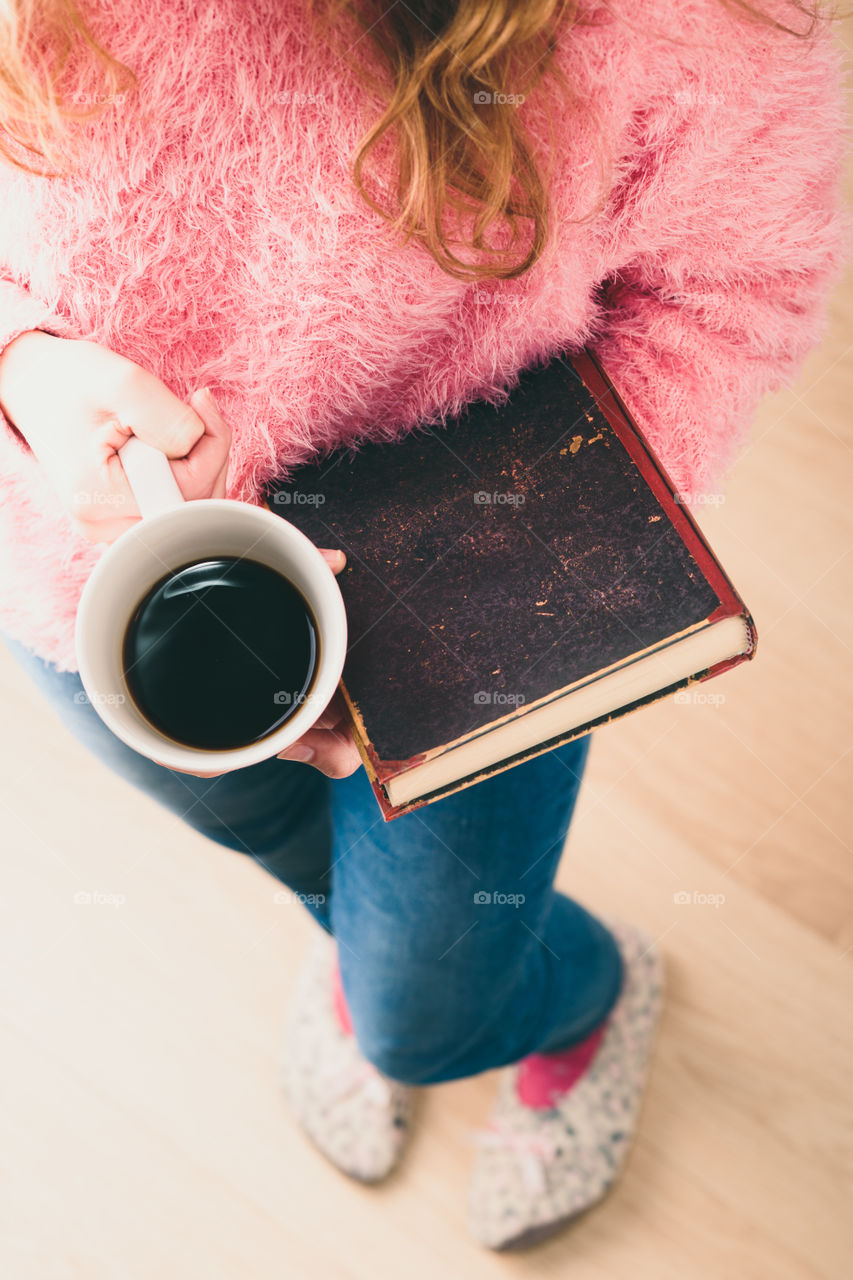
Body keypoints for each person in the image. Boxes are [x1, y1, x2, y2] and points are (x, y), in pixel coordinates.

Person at [0, 0, 845, 1252]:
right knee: (293, 854)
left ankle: (582, 996)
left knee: (423, 1014)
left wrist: (497, 566)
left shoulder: (693, 28)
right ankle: (396, 946)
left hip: (468, 619)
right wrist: (22, 365)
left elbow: (736, 291)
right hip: (78, 591)